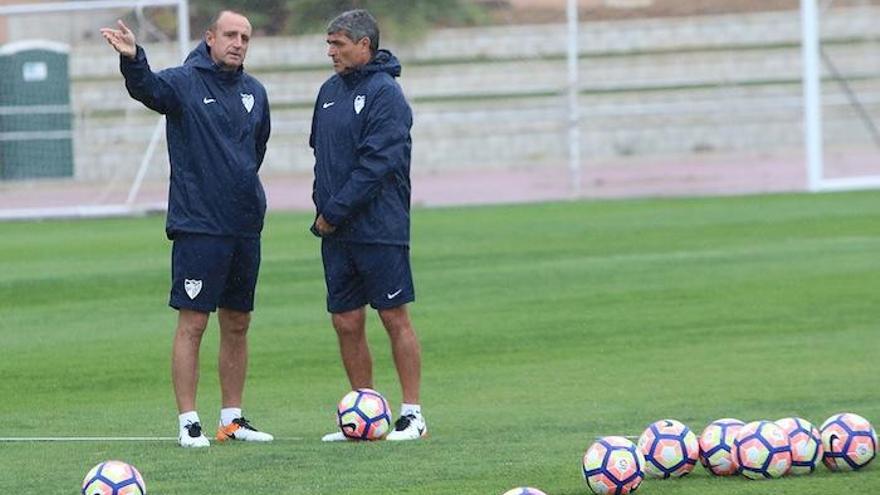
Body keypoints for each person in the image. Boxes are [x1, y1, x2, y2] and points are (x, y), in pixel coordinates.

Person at [100, 10, 273, 448]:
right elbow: (147, 88)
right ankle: (189, 421)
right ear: (210, 38)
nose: (238, 43)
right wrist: (133, 58)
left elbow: (256, 150)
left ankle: (232, 419)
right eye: (230, 35)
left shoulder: (255, 92)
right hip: (199, 226)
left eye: (245, 37)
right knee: (193, 324)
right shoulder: (184, 82)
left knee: (238, 323)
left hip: (244, 226)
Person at [310, 9, 426, 442]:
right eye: (329, 44)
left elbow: (377, 163)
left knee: (394, 317)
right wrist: (323, 207)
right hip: (336, 231)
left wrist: (332, 212)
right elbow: (322, 156)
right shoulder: (327, 91)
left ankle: (412, 414)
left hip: (379, 227)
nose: (331, 52)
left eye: (338, 44)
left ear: (364, 45)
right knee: (345, 321)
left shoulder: (386, 94)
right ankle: (367, 410)